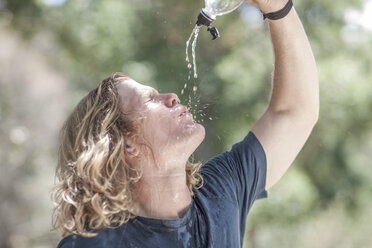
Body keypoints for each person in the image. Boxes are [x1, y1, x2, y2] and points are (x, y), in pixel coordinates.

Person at [53, 0, 319, 247]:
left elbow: (294, 112)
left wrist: (278, 7)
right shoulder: (93, 244)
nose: (171, 97)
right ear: (124, 143)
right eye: (150, 99)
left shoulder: (220, 193)